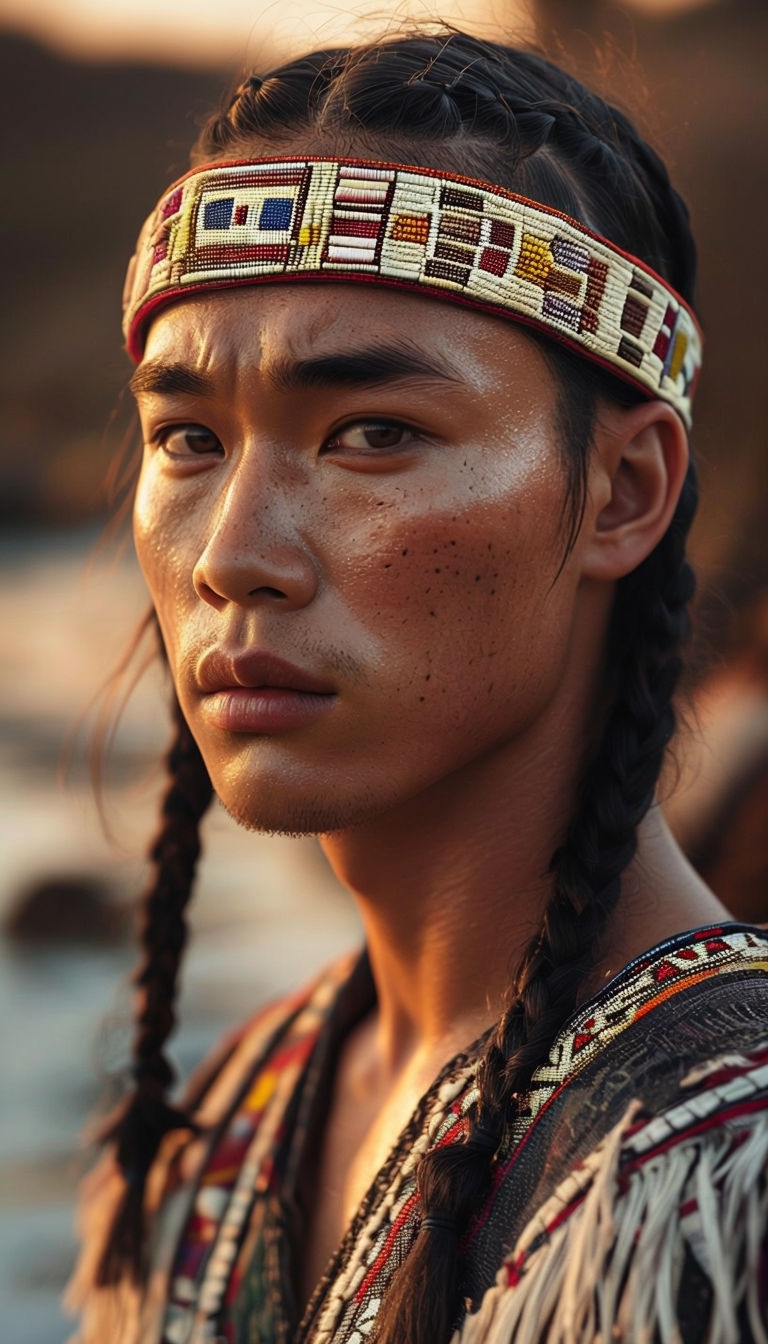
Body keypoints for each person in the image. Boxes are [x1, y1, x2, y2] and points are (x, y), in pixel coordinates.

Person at [67, 29, 768, 1344]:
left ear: (625, 491)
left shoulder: (726, 1171)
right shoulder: (221, 1129)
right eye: (187, 440)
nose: (232, 557)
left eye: (372, 434)